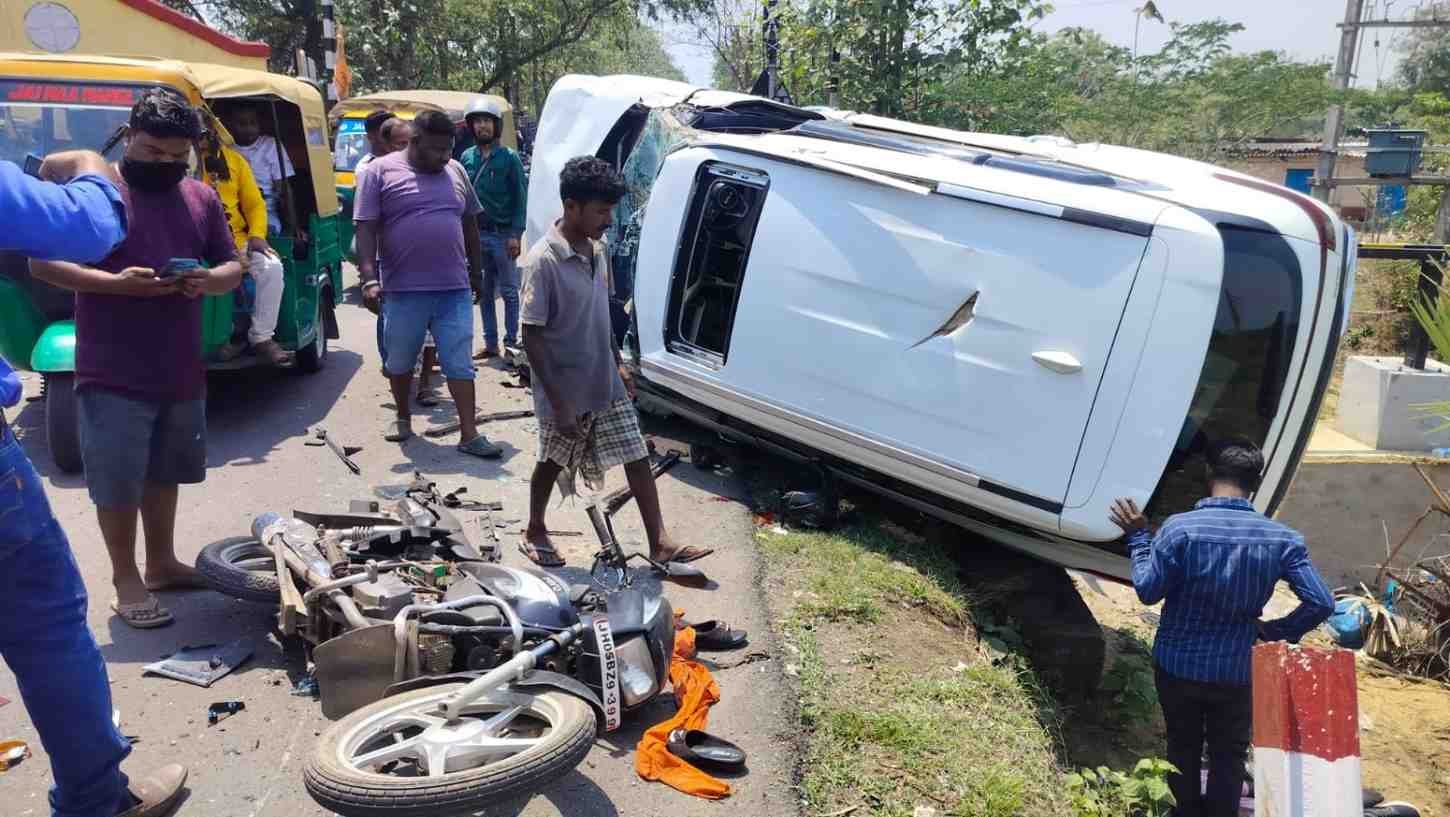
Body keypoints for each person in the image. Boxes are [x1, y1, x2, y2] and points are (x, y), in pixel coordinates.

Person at [2, 152, 189, 816]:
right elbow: (83, 230)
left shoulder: (195, 200)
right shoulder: (100, 186)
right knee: (46, 628)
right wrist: (87, 165)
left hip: (166, 360)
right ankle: (96, 799)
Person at [31, 88, 243, 630]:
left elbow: (231, 266)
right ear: (128, 137)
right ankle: (126, 578)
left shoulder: (199, 197)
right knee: (117, 477)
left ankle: (162, 563)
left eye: (177, 156)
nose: (165, 163)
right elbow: (42, 264)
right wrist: (115, 285)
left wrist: (207, 279)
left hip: (179, 365)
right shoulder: (96, 194)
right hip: (111, 368)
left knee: (164, 471)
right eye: (153, 151)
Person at [1109, 439, 1334, 817]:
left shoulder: (1180, 530)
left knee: (1182, 746)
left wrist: (1139, 538)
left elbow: (1148, 590)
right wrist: (1273, 631)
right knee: (1228, 755)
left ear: (1208, 473)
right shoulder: (1281, 539)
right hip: (1238, 670)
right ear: (1255, 483)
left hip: (1178, 664)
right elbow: (1322, 602)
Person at [517, 156, 712, 568]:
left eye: (611, 210)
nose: (609, 220)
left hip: (603, 379)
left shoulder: (598, 249)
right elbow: (531, 337)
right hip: (564, 389)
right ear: (572, 206)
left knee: (636, 453)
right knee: (553, 460)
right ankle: (534, 528)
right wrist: (560, 404)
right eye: (601, 211)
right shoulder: (543, 261)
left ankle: (659, 543)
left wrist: (618, 362)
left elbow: (602, 312)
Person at [354, 110, 500, 457]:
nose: (445, 156)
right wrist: (369, 279)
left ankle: (469, 434)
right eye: (437, 149)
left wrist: (477, 272)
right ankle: (403, 417)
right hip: (403, 290)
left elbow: (470, 224)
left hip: (454, 288)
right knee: (400, 360)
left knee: (459, 362)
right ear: (416, 142)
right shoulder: (379, 172)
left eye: (449, 148)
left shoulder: (456, 170)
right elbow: (365, 229)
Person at [200, 129, 291, 366]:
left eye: (203, 133)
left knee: (272, 267)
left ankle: (261, 337)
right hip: (192, 242)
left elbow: (254, 205)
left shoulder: (235, 161)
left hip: (235, 240)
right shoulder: (178, 160)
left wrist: (257, 235)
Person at [459, 97, 526, 360]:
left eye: (487, 121)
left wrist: (515, 234)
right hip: (476, 235)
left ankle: (511, 343)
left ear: (496, 125)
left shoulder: (509, 157)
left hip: (503, 234)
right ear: (471, 126)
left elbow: (520, 198)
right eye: (477, 121)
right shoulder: (466, 157)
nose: (482, 126)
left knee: (509, 291)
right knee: (484, 292)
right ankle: (490, 343)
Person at [221, 102, 295, 235]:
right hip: (232, 210)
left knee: (267, 231)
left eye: (253, 123)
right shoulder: (225, 148)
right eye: (242, 124)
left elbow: (283, 188)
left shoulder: (270, 145)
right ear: (231, 125)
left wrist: (293, 226)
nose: (249, 128)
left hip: (265, 210)